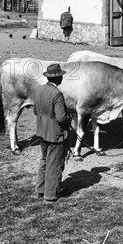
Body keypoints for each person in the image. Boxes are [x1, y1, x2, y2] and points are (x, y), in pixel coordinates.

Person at [33, 63, 71, 202]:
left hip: (42, 132)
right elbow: (61, 118)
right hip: (56, 135)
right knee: (54, 164)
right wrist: (69, 119)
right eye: (61, 76)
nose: (62, 78)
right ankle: (51, 195)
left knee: (44, 161)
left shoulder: (39, 90)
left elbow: (36, 111)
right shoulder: (57, 94)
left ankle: (40, 190)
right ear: (57, 78)